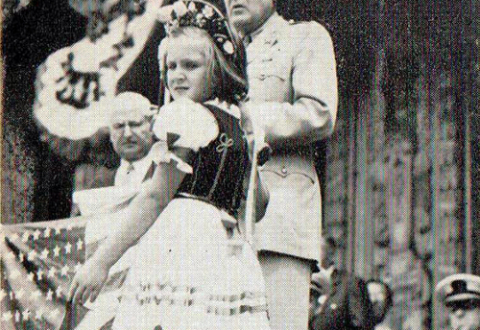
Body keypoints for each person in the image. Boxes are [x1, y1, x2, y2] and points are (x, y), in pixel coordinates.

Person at [68, 1, 271, 329]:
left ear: (217, 68)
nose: (177, 75)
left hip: (184, 237)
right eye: (171, 66)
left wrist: (101, 262)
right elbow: (257, 207)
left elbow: (155, 196)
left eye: (190, 65)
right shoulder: (238, 123)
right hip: (224, 247)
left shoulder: (187, 115)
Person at [225, 1, 338, 329]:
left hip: (278, 214)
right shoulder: (222, 52)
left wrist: (244, 120)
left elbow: (318, 112)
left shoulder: (303, 37)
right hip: (224, 213)